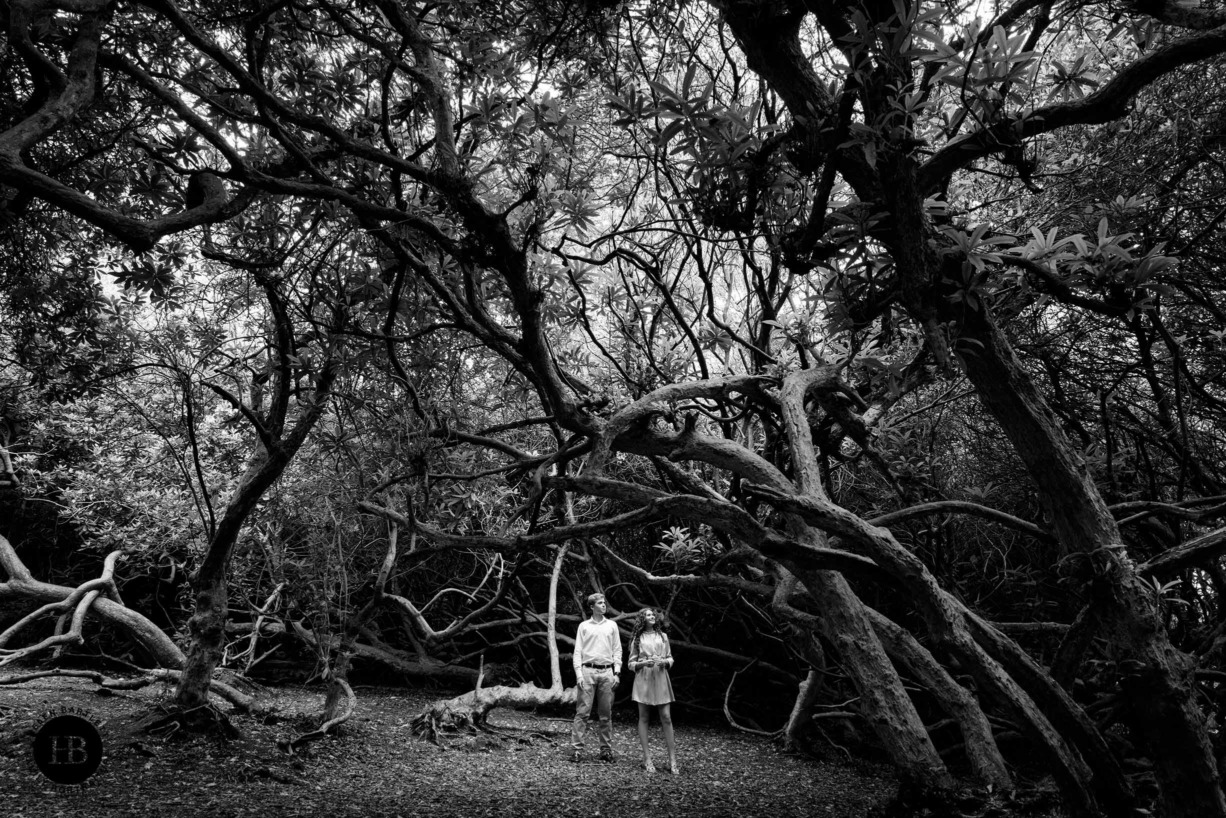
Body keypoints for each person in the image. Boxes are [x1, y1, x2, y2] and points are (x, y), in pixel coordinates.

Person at [571, 592, 622, 762]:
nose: (603, 605)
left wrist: (617, 672)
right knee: (582, 713)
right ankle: (577, 750)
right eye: (600, 603)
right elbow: (577, 651)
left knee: (606, 714)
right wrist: (579, 674)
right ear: (592, 607)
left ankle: (606, 750)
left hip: (607, 672)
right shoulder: (584, 626)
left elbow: (617, 650)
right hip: (588, 671)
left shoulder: (612, 626)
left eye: (604, 603)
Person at [627, 607, 677, 774]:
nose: (652, 616)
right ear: (642, 618)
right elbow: (631, 663)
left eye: (653, 614)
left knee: (666, 717)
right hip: (644, 678)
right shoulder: (637, 638)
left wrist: (666, 663)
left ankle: (672, 759)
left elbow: (670, 657)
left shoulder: (663, 636)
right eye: (648, 615)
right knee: (644, 717)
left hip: (661, 676)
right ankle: (647, 758)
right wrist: (642, 664)